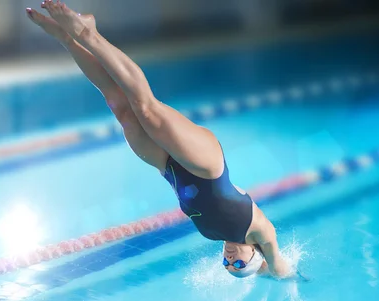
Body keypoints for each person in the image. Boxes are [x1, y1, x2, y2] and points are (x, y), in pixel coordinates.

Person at [26, 1, 294, 279]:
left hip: (170, 168)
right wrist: (283, 276)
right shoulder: (259, 230)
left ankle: (67, 39)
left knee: (120, 107)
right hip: (207, 167)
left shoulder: (213, 236)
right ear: (254, 253)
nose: (230, 262)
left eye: (228, 267)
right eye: (239, 265)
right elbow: (279, 266)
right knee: (145, 108)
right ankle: (88, 33)